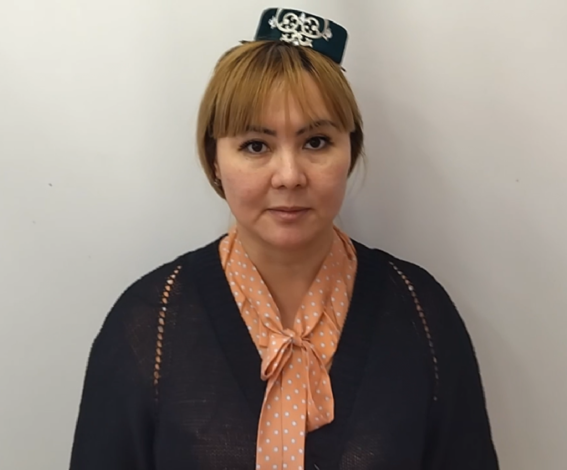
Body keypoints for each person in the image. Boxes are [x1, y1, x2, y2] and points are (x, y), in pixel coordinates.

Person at [69, 7, 499, 470]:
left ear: (350, 150)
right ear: (215, 160)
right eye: (256, 146)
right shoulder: (148, 326)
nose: (289, 175)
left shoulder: (421, 314)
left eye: (316, 142)